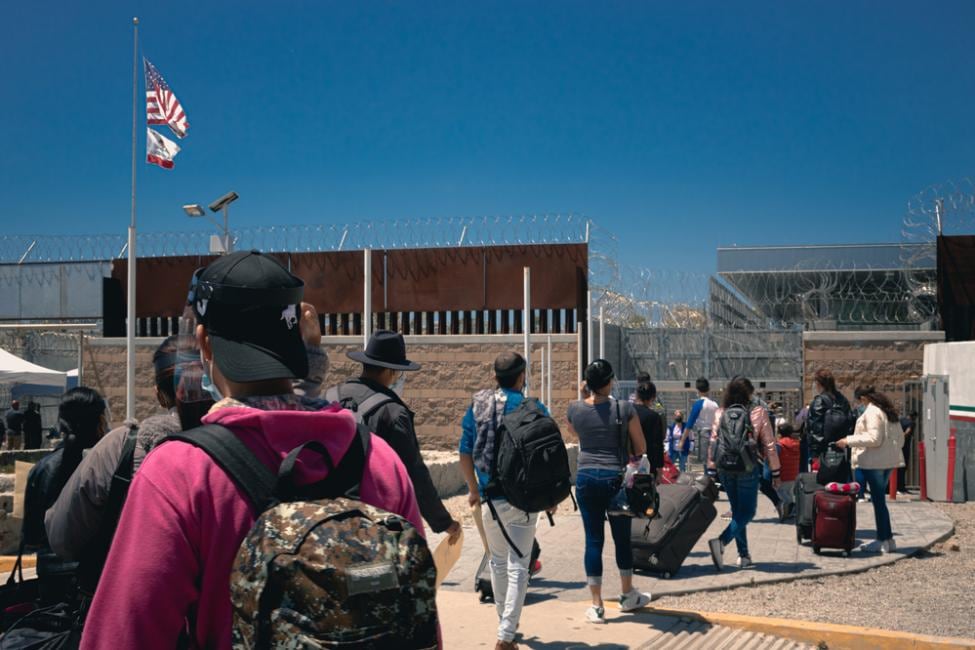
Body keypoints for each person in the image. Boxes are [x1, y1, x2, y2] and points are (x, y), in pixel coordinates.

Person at [81, 251, 423, 649]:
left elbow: (123, 636)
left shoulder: (180, 474)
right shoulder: (379, 462)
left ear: (205, 344)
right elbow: (419, 624)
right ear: (298, 342)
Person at [330, 330, 461, 542]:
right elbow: (414, 472)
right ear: (391, 371)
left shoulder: (329, 397)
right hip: (373, 519)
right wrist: (443, 522)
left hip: (326, 513)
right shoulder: (392, 412)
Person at [459, 352, 549, 650]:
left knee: (498, 562)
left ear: (494, 376)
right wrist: (549, 497)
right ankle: (506, 634)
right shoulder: (533, 406)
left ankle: (505, 623)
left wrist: (473, 489)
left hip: (490, 499)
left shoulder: (478, 406)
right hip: (524, 500)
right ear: (521, 376)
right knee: (519, 565)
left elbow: (465, 451)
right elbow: (545, 454)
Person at [565, 359, 650, 625]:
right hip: (615, 478)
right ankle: (627, 595)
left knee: (593, 541)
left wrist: (584, 396)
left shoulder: (574, 409)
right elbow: (640, 447)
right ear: (610, 381)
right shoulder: (624, 408)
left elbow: (576, 430)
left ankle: (597, 605)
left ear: (588, 384)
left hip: (586, 477)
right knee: (622, 540)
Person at [21, 387, 108, 604]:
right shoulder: (105, 467)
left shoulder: (40, 469)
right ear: (98, 422)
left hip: (50, 578)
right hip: (93, 578)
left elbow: (30, 536)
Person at [707, 376, 781, 570]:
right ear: (748, 393)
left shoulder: (720, 412)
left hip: (725, 467)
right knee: (748, 511)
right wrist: (775, 471)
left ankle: (744, 555)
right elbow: (769, 445)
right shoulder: (757, 412)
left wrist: (711, 468)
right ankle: (721, 542)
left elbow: (713, 441)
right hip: (748, 467)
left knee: (737, 511)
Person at [835, 385, 905, 554]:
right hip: (887, 462)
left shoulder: (872, 412)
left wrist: (848, 440)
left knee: (879, 503)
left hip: (874, 463)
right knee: (880, 502)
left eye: (858, 401)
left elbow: (874, 438)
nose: (858, 404)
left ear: (863, 399)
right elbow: (901, 438)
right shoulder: (887, 411)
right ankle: (887, 539)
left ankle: (882, 540)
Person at [806, 368, 852, 463]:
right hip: (842, 448)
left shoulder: (820, 401)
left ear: (818, 383)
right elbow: (850, 422)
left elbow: (816, 428)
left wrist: (815, 452)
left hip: (825, 451)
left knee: (825, 476)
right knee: (840, 476)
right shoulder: (843, 400)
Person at [632, 380, 665, 471]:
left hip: (628, 462)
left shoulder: (627, 412)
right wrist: (660, 467)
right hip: (648, 463)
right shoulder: (654, 416)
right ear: (653, 397)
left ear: (637, 395)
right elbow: (657, 444)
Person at [684, 378, 718, 463]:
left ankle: (707, 475)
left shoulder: (699, 404)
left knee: (705, 461)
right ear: (709, 389)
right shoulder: (715, 404)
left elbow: (690, 423)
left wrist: (682, 439)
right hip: (715, 434)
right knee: (713, 460)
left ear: (697, 390)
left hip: (703, 435)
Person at [776, 422, 801, 520]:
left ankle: (785, 509)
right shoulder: (797, 444)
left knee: (781, 494)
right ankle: (790, 510)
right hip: (793, 474)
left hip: (782, 474)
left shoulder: (779, 445)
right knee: (789, 493)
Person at [897, 411, 917, 494]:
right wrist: (902, 438)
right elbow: (907, 432)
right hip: (905, 447)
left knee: (896, 467)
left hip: (897, 447)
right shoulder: (911, 423)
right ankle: (901, 487)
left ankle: (894, 487)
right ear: (914, 417)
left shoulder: (900, 420)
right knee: (903, 467)